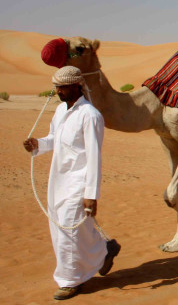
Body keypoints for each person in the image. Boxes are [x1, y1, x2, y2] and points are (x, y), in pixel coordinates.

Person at [22, 66, 120, 300]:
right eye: (56, 86)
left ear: (77, 85)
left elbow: (94, 155)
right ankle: (105, 250)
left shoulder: (90, 115)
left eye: (62, 86)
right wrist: (38, 144)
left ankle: (70, 280)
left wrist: (91, 193)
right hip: (58, 179)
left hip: (79, 182)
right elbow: (55, 139)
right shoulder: (59, 110)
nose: (58, 91)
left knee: (69, 230)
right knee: (65, 228)